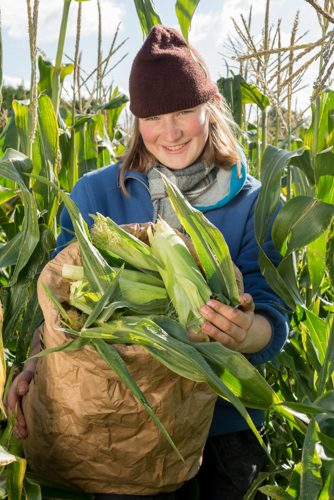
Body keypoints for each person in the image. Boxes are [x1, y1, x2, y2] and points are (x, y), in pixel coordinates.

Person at [5, 25, 289, 499]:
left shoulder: (252, 201)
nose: (170, 132)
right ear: (136, 120)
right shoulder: (94, 195)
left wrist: (244, 331)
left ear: (210, 107)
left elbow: (272, 318)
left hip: (220, 431)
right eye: (153, 116)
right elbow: (60, 309)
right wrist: (36, 365)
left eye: (184, 111)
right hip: (119, 427)